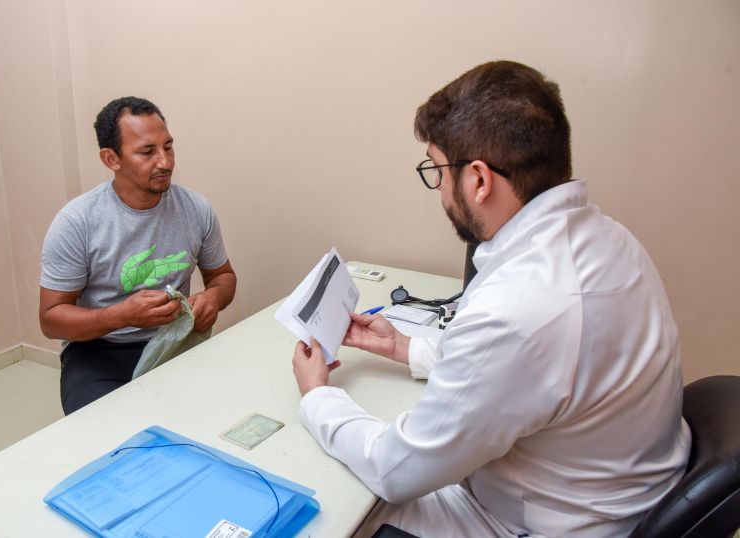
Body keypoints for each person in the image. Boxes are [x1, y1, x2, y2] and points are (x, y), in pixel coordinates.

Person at [291, 61, 690, 537]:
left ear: (478, 180)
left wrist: (318, 397)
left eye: (437, 171)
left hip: (544, 523)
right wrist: (403, 347)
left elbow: (396, 471)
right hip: (602, 493)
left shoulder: (521, 308)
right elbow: (531, 371)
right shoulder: (610, 239)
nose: (438, 188)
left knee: (335, 511)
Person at [40, 96, 236, 415]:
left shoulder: (196, 209)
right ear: (111, 158)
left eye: (168, 147)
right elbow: (50, 320)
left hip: (175, 342)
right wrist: (122, 316)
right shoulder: (78, 222)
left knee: (217, 419)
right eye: (147, 151)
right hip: (99, 351)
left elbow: (223, 277)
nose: (165, 162)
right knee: (110, 440)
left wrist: (213, 298)